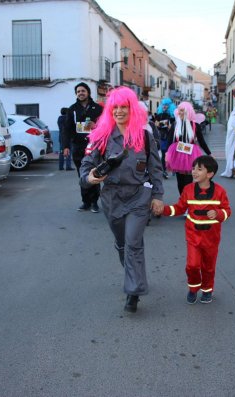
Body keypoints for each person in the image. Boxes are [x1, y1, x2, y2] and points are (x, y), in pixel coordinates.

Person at [80, 86, 164, 313]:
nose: (119, 111)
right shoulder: (101, 137)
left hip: (139, 196)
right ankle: (132, 274)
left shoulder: (145, 136)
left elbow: (156, 169)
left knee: (133, 242)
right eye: (115, 107)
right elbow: (86, 165)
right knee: (122, 244)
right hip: (112, 198)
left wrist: (157, 196)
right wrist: (89, 177)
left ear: (132, 109)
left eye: (123, 107)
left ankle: (133, 292)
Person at [156, 155, 231, 304]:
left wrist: (218, 213)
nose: (194, 172)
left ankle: (207, 289)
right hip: (193, 237)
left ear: (210, 174)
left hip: (211, 239)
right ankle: (193, 287)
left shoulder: (220, 192)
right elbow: (179, 208)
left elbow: (227, 211)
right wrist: (163, 210)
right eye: (193, 168)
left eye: (199, 169)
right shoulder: (188, 190)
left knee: (209, 267)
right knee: (192, 265)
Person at [63, 82, 103, 212]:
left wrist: (95, 126)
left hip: (94, 146)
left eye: (83, 91)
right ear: (76, 94)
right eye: (78, 91)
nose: (81, 93)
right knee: (82, 174)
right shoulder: (72, 109)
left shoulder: (97, 108)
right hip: (78, 147)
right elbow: (67, 129)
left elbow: (106, 126)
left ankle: (94, 202)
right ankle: (85, 202)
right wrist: (66, 146)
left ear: (88, 92)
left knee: (95, 173)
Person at [165, 101, 212, 195]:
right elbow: (170, 141)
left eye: (182, 110)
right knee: (180, 182)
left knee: (188, 181)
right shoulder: (175, 125)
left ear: (188, 111)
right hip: (177, 155)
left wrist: (209, 153)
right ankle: (182, 200)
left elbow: (202, 142)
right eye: (179, 110)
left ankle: (187, 201)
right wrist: (167, 154)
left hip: (190, 156)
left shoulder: (195, 126)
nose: (180, 112)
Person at [154, 98, 176, 179]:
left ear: (170, 106)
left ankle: (173, 167)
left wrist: (170, 126)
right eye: (163, 105)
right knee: (163, 153)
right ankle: (164, 170)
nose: (164, 106)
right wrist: (159, 124)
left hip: (171, 136)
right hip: (163, 137)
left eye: (166, 105)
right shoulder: (158, 115)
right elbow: (156, 124)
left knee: (170, 153)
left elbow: (174, 126)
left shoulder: (172, 116)